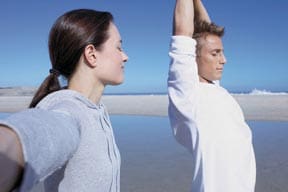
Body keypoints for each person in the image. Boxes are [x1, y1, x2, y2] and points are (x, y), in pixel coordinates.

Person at [0, 8, 128, 192]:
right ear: (91, 54)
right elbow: (41, 133)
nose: (125, 56)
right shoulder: (69, 111)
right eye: (119, 47)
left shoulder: (96, 109)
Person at [168, 0, 256, 191]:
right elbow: (183, 33)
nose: (224, 60)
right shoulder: (188, 95)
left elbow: (205, 25)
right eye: (215, 54)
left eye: (222, 53)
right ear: (192, 56)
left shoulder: (214, 87)